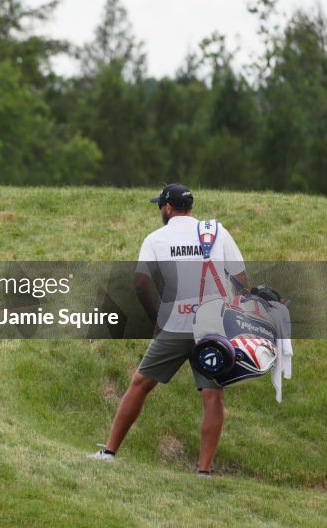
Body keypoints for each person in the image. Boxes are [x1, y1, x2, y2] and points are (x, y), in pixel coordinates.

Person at [90, 184, 247, 476]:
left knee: (140, 384)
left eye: (160, 206)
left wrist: (156, 318)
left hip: (175, 324)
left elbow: (140, 282)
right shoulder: (217, 232)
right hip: (212, 326)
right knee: (212, 396)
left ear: (168, 208)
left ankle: (109, 451)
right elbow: (240, 276)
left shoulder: (156, 239)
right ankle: (204, 471)